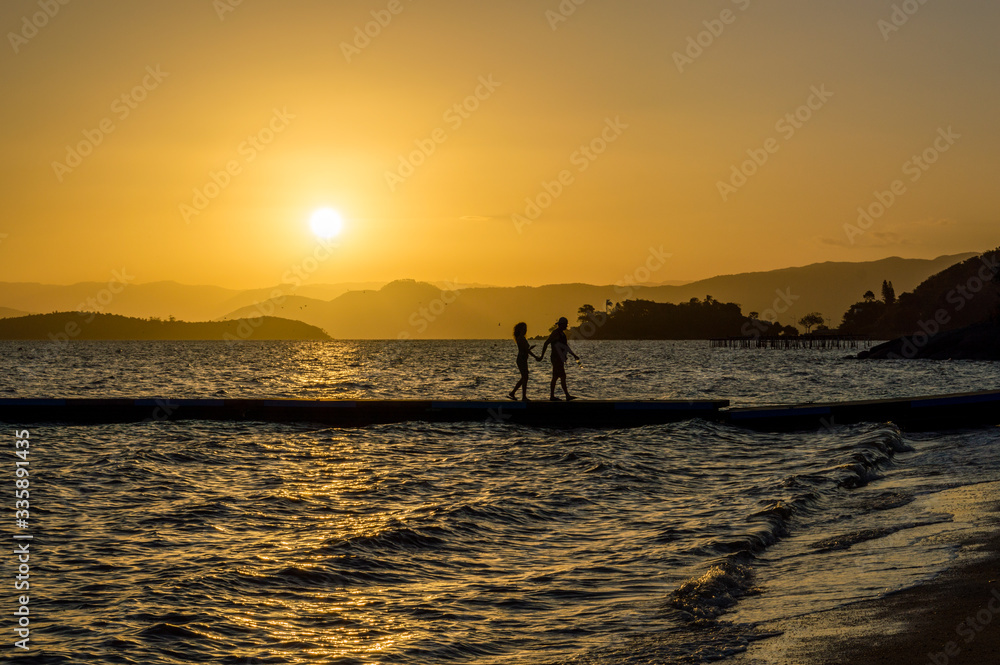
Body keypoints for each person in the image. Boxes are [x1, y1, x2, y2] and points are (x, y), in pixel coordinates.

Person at [538, 317, 579, 401]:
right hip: (556, 358)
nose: (566, 326)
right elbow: (546, 343)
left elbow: (566, 347)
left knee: (556, 377)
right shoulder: (555, 333)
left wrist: (573, 355)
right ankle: (564, 395)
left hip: (560, 358)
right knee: (562, 376)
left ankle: (556, 396)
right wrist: (542, 355)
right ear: (561, 325)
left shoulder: (563, 334)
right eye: (565, 324)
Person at [508, 322, 541, 401]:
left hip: (523, 358)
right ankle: (523, 396)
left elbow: (525, 350)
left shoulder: (522, 338)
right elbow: (526, 350)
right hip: (521, 359)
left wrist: (530, 349)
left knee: (524, 377)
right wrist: (535, 357)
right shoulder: (521, 338)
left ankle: (513, 393)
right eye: (523, 329)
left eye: (526, 329)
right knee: (525, 377)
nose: (525, 330)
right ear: (520, 330)